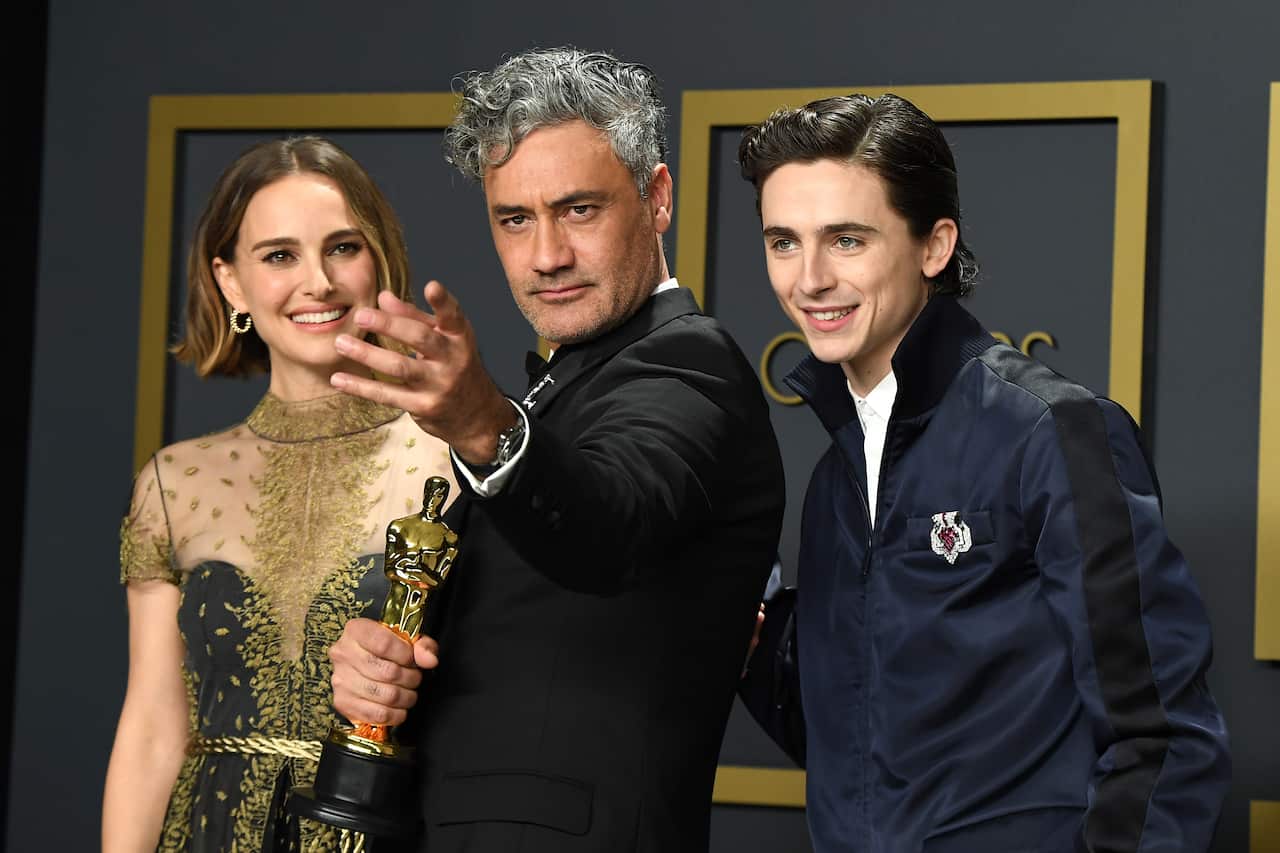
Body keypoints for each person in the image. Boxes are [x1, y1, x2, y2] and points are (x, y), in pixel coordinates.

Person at [736, 94, 1231, 852]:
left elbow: (1164, 739)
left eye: (846, 239)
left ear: (935, 246)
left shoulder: (1051, 430)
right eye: (783, 242)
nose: (809, 279)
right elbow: (865, 748)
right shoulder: (836, 476)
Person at [325, 47, 785, 851]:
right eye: (515, 219)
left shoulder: (692, 368)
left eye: (579, 209)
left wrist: (481, 424)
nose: (546, 256)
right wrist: (383, 661)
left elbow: (603, 523)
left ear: (658, 198)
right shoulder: (566, 385)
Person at [103, 136, 458, 852]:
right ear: (230, 282)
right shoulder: (175, 483)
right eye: (278, 256)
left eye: (343, 248)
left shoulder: (452, 460)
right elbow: (150, 729)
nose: (317, 282)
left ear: (380, 261)